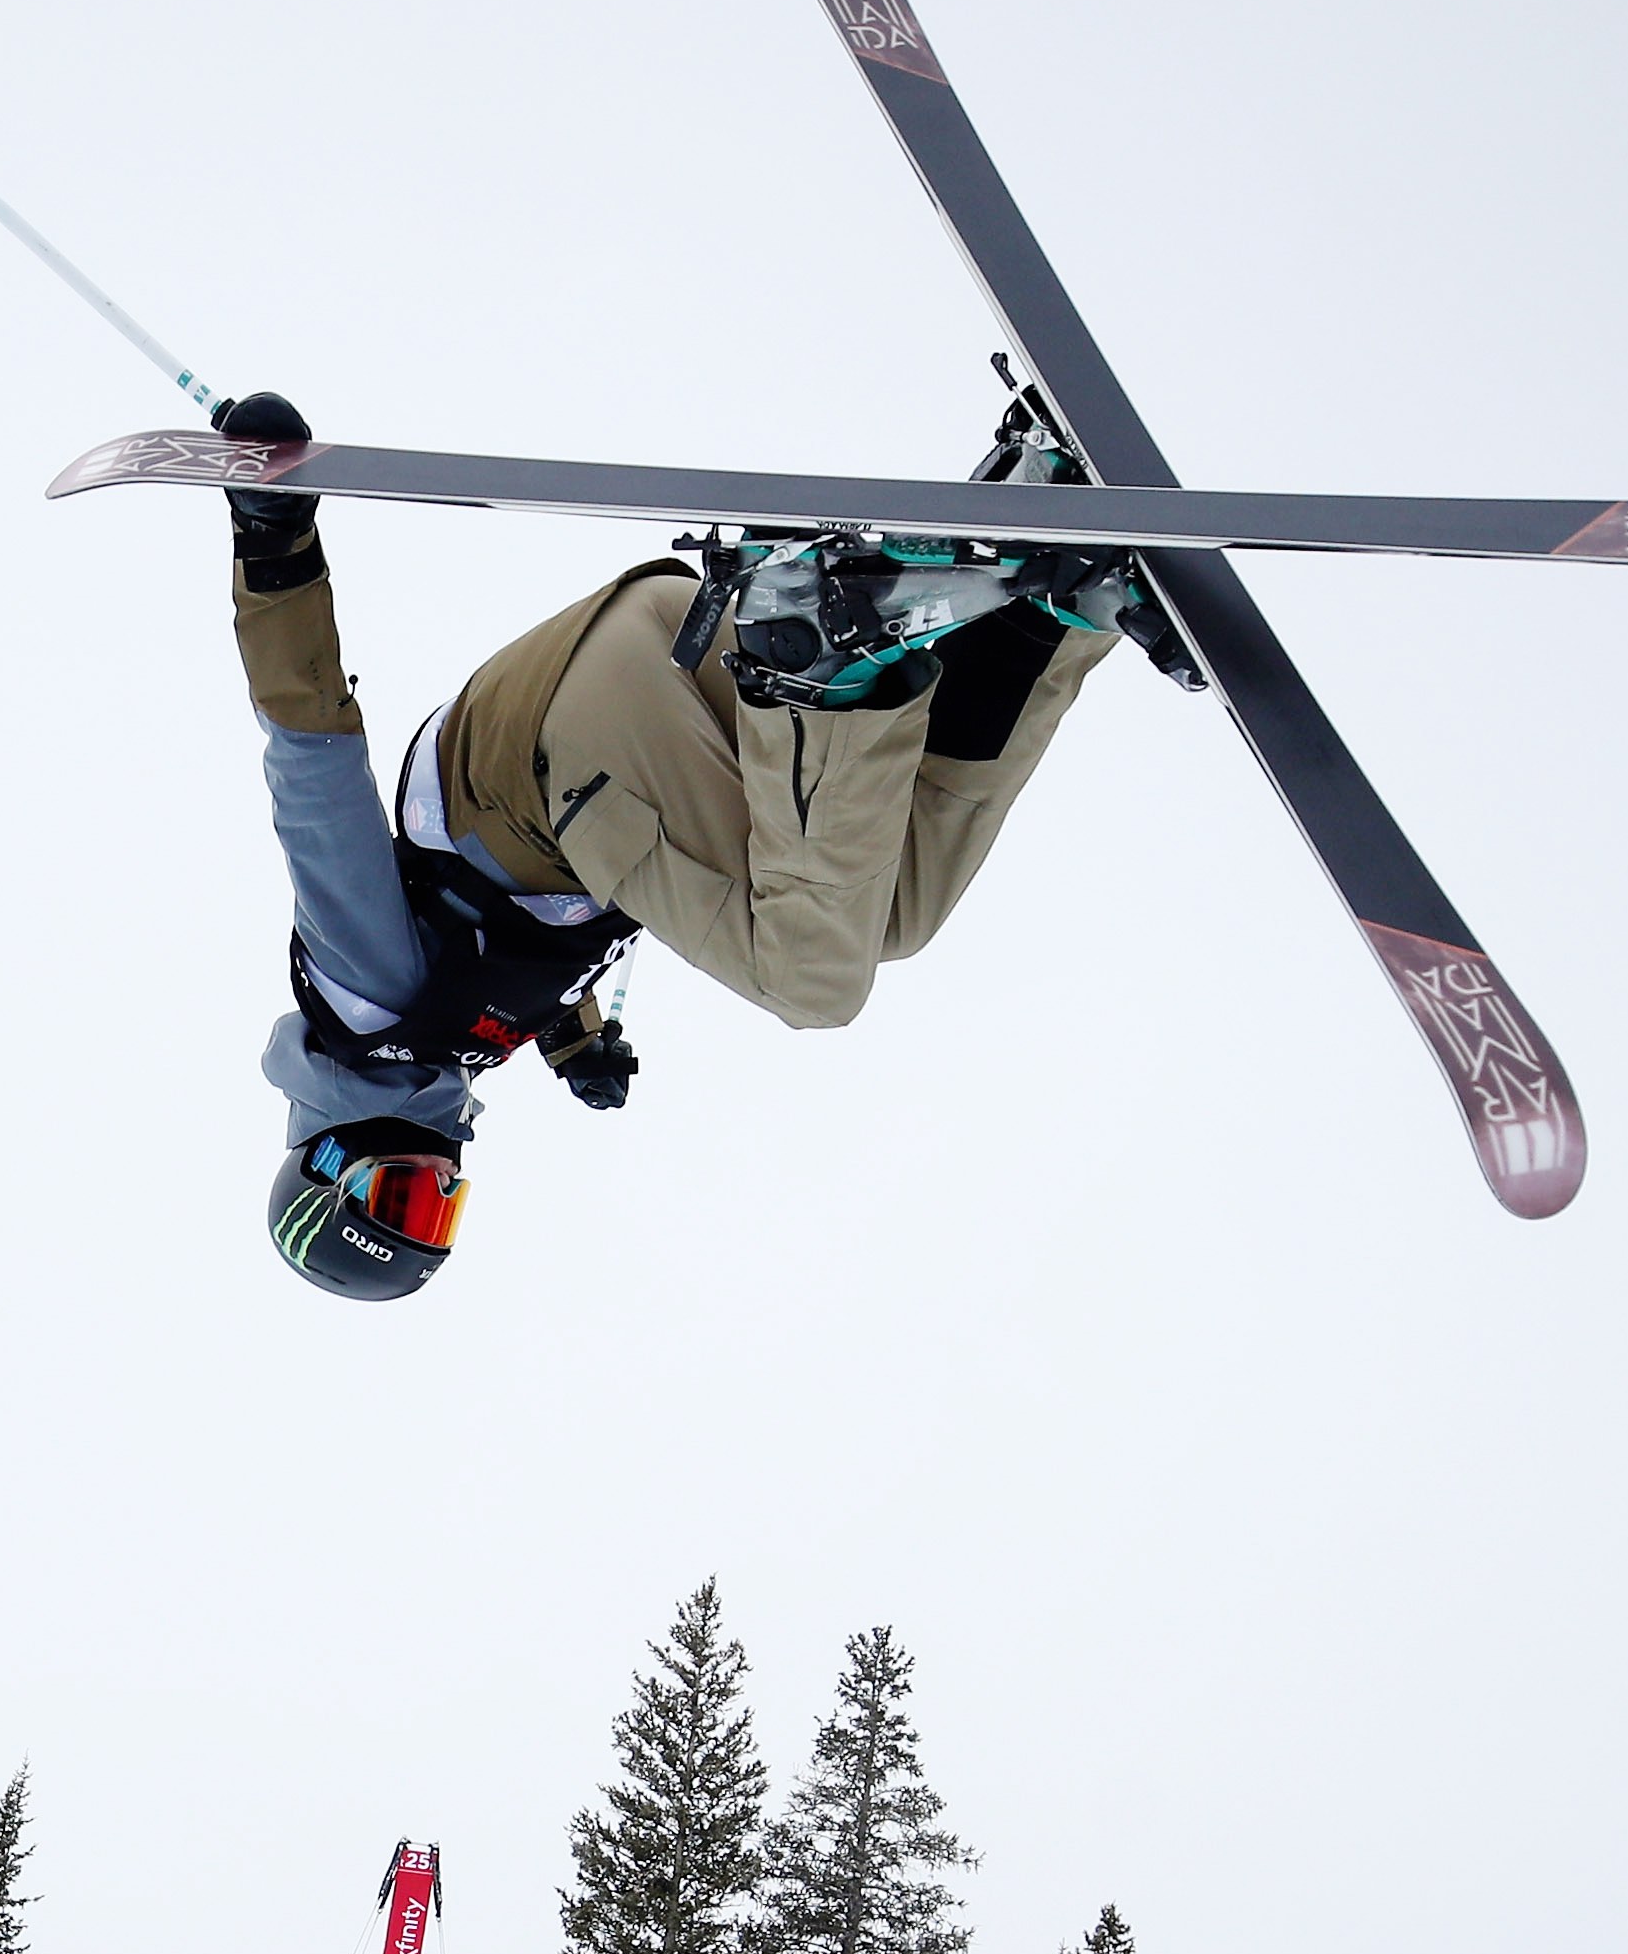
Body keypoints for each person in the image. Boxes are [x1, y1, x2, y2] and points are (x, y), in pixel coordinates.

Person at [218, 389, 1143, 1300]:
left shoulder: (359, 1003)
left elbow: (315, 775)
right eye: (438, 1214)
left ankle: (819, 657)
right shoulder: (438, 1045)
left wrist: (273, 542)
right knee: (884, 917)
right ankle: (1044, 609)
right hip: (685, 656)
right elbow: (504, 946)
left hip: (569, 739)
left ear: (331, 1158)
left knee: (811, 981)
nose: (437, 1183)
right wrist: (571, 1043)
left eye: (400, 1196)